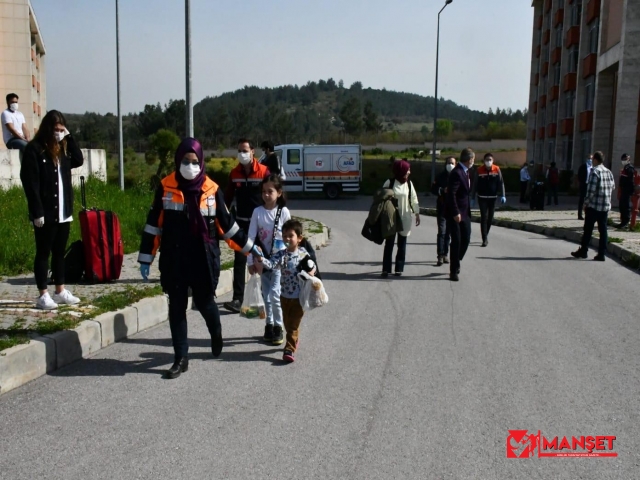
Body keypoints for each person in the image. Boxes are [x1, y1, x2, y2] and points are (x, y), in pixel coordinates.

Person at [138, 137, 260, 379]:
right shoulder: (165, 186)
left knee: (205, 304)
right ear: (177, 160)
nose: (189, 166)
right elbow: (154, 225)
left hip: (203, 258)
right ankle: (181, 358)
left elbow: (228, 226)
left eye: (194, 161)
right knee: (176, 307)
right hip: (175, 257)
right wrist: (145, 257)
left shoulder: (212, 190)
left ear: (201, 161)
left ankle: (216, 331)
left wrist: (250, 248)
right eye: (185, 160)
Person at [20, 110, 83, 309]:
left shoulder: (63, 150)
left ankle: (60, 290)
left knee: (59, 252)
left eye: (61, 129)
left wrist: (69, 137)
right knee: (43, 252)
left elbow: (79, 160)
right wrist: (36, 211)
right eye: (55, 129)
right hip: (45, 213)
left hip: (63, 212)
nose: (58, 133)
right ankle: (43, 294)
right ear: (48, 128)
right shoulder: (35, 149)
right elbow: (30, 183)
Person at [255, 219, 315, 363]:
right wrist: (260, 258)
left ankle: (289, 349)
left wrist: (312, 272)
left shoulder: (302, 254)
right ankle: (293, 340)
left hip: (299, 297)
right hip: (284, 296)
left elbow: (312, 265)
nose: (287, 239)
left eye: (291, 236)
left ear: (299, 238)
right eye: (285, 236)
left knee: (293, 324)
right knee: (287, 324)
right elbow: (270, 264)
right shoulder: (281, 255)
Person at [223, 138, 270, 313]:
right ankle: (237, 299)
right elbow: (227, 199)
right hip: (241, 224)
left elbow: (272, 194)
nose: (242, 154)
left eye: (245, 150)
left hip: (260, 224)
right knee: (239, 260)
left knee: (263, 259)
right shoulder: (234, 173)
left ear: (253, 152)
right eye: (239, 151)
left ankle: (266, 296)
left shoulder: (264, 172)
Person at [247, 175, 291, 345]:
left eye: (270, 191)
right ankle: (269, 325)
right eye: (264, 191)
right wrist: (251, 261)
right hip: (261, 260)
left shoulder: (283, 212)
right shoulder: (257, 212)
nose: (266, 195)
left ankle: (279, 327)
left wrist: (289, 257)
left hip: (279, 262)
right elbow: (251, 238)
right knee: (266, 295)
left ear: (279, 193)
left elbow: (289, 236)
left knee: (274, 294)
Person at [571, 151, 615, 262]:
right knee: (603, 230)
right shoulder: (608, 172)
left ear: (595, 160)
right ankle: (601, 253)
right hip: (605, 206)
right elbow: (613, 186)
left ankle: (584, 250)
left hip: (594, 206)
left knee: (588, 230)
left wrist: (585, 204)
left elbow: (591, 191)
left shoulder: (595, 171)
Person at [381, 160, 420, 277]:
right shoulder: (390, 182)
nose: (409, 172)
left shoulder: (409, 184)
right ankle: (386, 269)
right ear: (400, 170)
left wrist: (417, 213)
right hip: (391, 218)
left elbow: (413, 199)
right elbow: (381, 198)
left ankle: (399, 268)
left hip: (405, 217)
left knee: (402, 245)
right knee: (389, 244)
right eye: (407, 170)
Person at [446, 148, 474, 282]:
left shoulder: (467, 172)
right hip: (455, 213)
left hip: (465, 212)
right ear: (469, 160)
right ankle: (453, 270)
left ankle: (457, 259)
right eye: (473, 159)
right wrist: (455, 212)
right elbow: (451, 194)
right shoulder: (457, 172)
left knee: (466, 238)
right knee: (456, 241)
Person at [472, 153, 506, 247]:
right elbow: (475, 184)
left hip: (492, 198)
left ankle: (485, 234)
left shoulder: (496, 169)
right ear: (484, 161)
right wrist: (472, 197)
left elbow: (501, 183)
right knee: (484, 217)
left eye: (490, 159)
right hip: (482, 197)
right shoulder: (479, 170)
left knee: (490, 219)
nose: (488, 161)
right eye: (487, 159)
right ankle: (484, 239)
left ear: (493, 160)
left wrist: (503, 195)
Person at [431, 156, 457, 266]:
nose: (450, 165)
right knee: (441, 232)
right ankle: (440, 255)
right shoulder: (440, 176)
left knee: (448, 233)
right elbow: (433, 189)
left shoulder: (457, 176)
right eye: (448, 163)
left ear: (455, 165)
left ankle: (446, 254)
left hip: (452, 209)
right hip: (442, 207)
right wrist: (442, 190)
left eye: (452, 163)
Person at [617, 153, 636, 229]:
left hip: (627, 190)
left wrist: (631, 191)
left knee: (626, 206)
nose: (624, 161)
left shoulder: (630, 168)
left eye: (625, 159)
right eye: (623, 159)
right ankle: (622, 221)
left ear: (629, 160)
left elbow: (631, 181)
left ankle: (626, 222)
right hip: (623, 189)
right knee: (622, 206)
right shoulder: (625, 168)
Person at [577, 155, 593, 220]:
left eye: (591, 158)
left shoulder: (593, 167)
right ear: (587, 159)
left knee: (589, 201)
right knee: (582, 200)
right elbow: (579, 175)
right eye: (589, 158)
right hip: (584, 185)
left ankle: (588, 214)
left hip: (591, 186)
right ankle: (580, 215)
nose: (590, 160)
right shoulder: (583, 166)